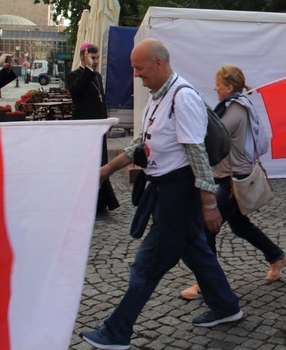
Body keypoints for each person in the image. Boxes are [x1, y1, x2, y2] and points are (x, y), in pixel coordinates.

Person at [80, 38, 241, 349]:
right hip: (165, 191)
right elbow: (142, 141)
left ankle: (116, 332)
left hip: (178, 195)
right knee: (196, 251)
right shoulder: (158, 95)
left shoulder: (183, 98)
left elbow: (195, 153)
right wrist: (107, 170)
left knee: (146, 265)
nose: (137, 75)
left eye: (140, 69)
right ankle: (227, 306)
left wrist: (209, 203)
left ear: (159, 64)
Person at [179, 65, 286, 302]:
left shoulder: (236, 108)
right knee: (239, 225)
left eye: (218, 84)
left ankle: (207, 282)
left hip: (233, 179)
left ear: (229, 87)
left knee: (205, 226)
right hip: (229, 175)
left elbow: (212, 135)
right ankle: (276, 255)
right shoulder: (234, 105)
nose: (215, 88)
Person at [65, 43, 119, 213]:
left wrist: (105, 124)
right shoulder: (73, 75)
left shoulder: (97, 76)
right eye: (92, 58)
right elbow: (76, 91)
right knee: (87, 164)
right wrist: (88, 69)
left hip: (99, 128)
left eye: (97, 58)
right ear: (84, 57)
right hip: (84, 128)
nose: (95, 61)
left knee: (101, 162)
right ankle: (86, 202)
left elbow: (101, 101)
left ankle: (100, 202)